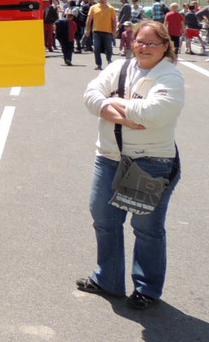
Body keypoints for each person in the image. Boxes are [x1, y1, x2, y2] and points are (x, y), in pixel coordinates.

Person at [78, 20, 184, 310]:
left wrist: (111, 102)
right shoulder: (119, 67)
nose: (144, 47)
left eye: (152, 43)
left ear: (165, 46)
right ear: (131, 41)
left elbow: (155, 113)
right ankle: (108, 279)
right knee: (104, 219)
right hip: (109, 157)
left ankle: (147, 288)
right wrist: (115, 112)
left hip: (150, 161)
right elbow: (90, 95)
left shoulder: (170, 76)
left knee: (146, 227)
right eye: (140, 41)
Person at [87, 0, 119, 70]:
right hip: (96, 31)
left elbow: (114, 21)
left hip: (107, 32)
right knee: (96, 48)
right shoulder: (93, 8)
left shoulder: (111, 9)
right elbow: (89, 19)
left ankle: (109, 60)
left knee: (108, 48)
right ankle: (98, 64)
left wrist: (114, 31)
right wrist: (87, 30)